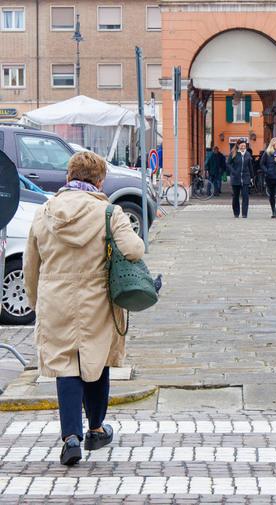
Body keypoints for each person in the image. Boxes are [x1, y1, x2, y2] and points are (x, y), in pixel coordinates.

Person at [23, 151, 145, 466]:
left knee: (65, 365)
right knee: (96, 360)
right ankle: (96, 428)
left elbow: (30, 265)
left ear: (68, 178)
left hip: (56, 300)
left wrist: (37, 302)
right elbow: (133, 250)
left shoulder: (45, 212)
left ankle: (70, 438)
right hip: (96, 300)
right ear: (100, 180)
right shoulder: (109, 213)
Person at [227, 140, 253, 218]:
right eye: (241, 145)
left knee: (245, 196)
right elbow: (228, 164)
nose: (243, 147)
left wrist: (252, 177)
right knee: (236, 196)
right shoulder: (233, 153)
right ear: (238, 145)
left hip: (245, 178)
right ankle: (236, 213)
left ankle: (244, 214)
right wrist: (233, 171)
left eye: (244, 146)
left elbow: (250, 166)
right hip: (236, 178)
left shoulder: (247, 154)